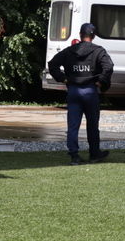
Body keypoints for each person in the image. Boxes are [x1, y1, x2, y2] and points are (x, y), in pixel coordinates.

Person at [48, 22, 114, 166]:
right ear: (94, 36)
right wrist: (100, 81)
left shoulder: (69, 51)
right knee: (92, 125)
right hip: (90, 90)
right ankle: (94, 153)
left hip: (73, 90)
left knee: (73, 126)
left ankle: (74, 156)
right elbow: (108, 66)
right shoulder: (98, 51)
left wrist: (63, 78)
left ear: (80, 35)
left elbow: (52, 64)